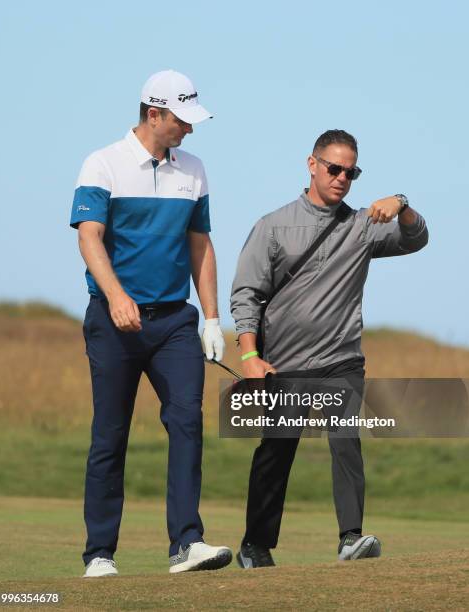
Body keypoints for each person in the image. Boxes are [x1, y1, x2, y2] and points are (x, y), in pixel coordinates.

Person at [230, 129, 428, 566]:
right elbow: (246, 294)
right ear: (312, 164)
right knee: (277, 451)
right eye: (334, 168)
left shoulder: (363, 227)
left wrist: (403, 203)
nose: (342, 178)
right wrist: (249, 356)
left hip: (342, 360)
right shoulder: (273, 225)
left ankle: (350, 538)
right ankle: (255, 545)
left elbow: (416, 240)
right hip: (285, 364)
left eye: (351, 172)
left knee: (345, 440)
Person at [70, 69, 232, 577]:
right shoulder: (103, 164)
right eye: (182, 120)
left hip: (175, 324)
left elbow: (199, 243)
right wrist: (116, 296)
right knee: (110, 434)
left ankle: (187, 544)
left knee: (187, 422)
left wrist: (211, 317)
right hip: (114, 321)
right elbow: (90, 238)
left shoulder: (195, 169)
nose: (189, 129)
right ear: (154, 113)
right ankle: (100, 553)